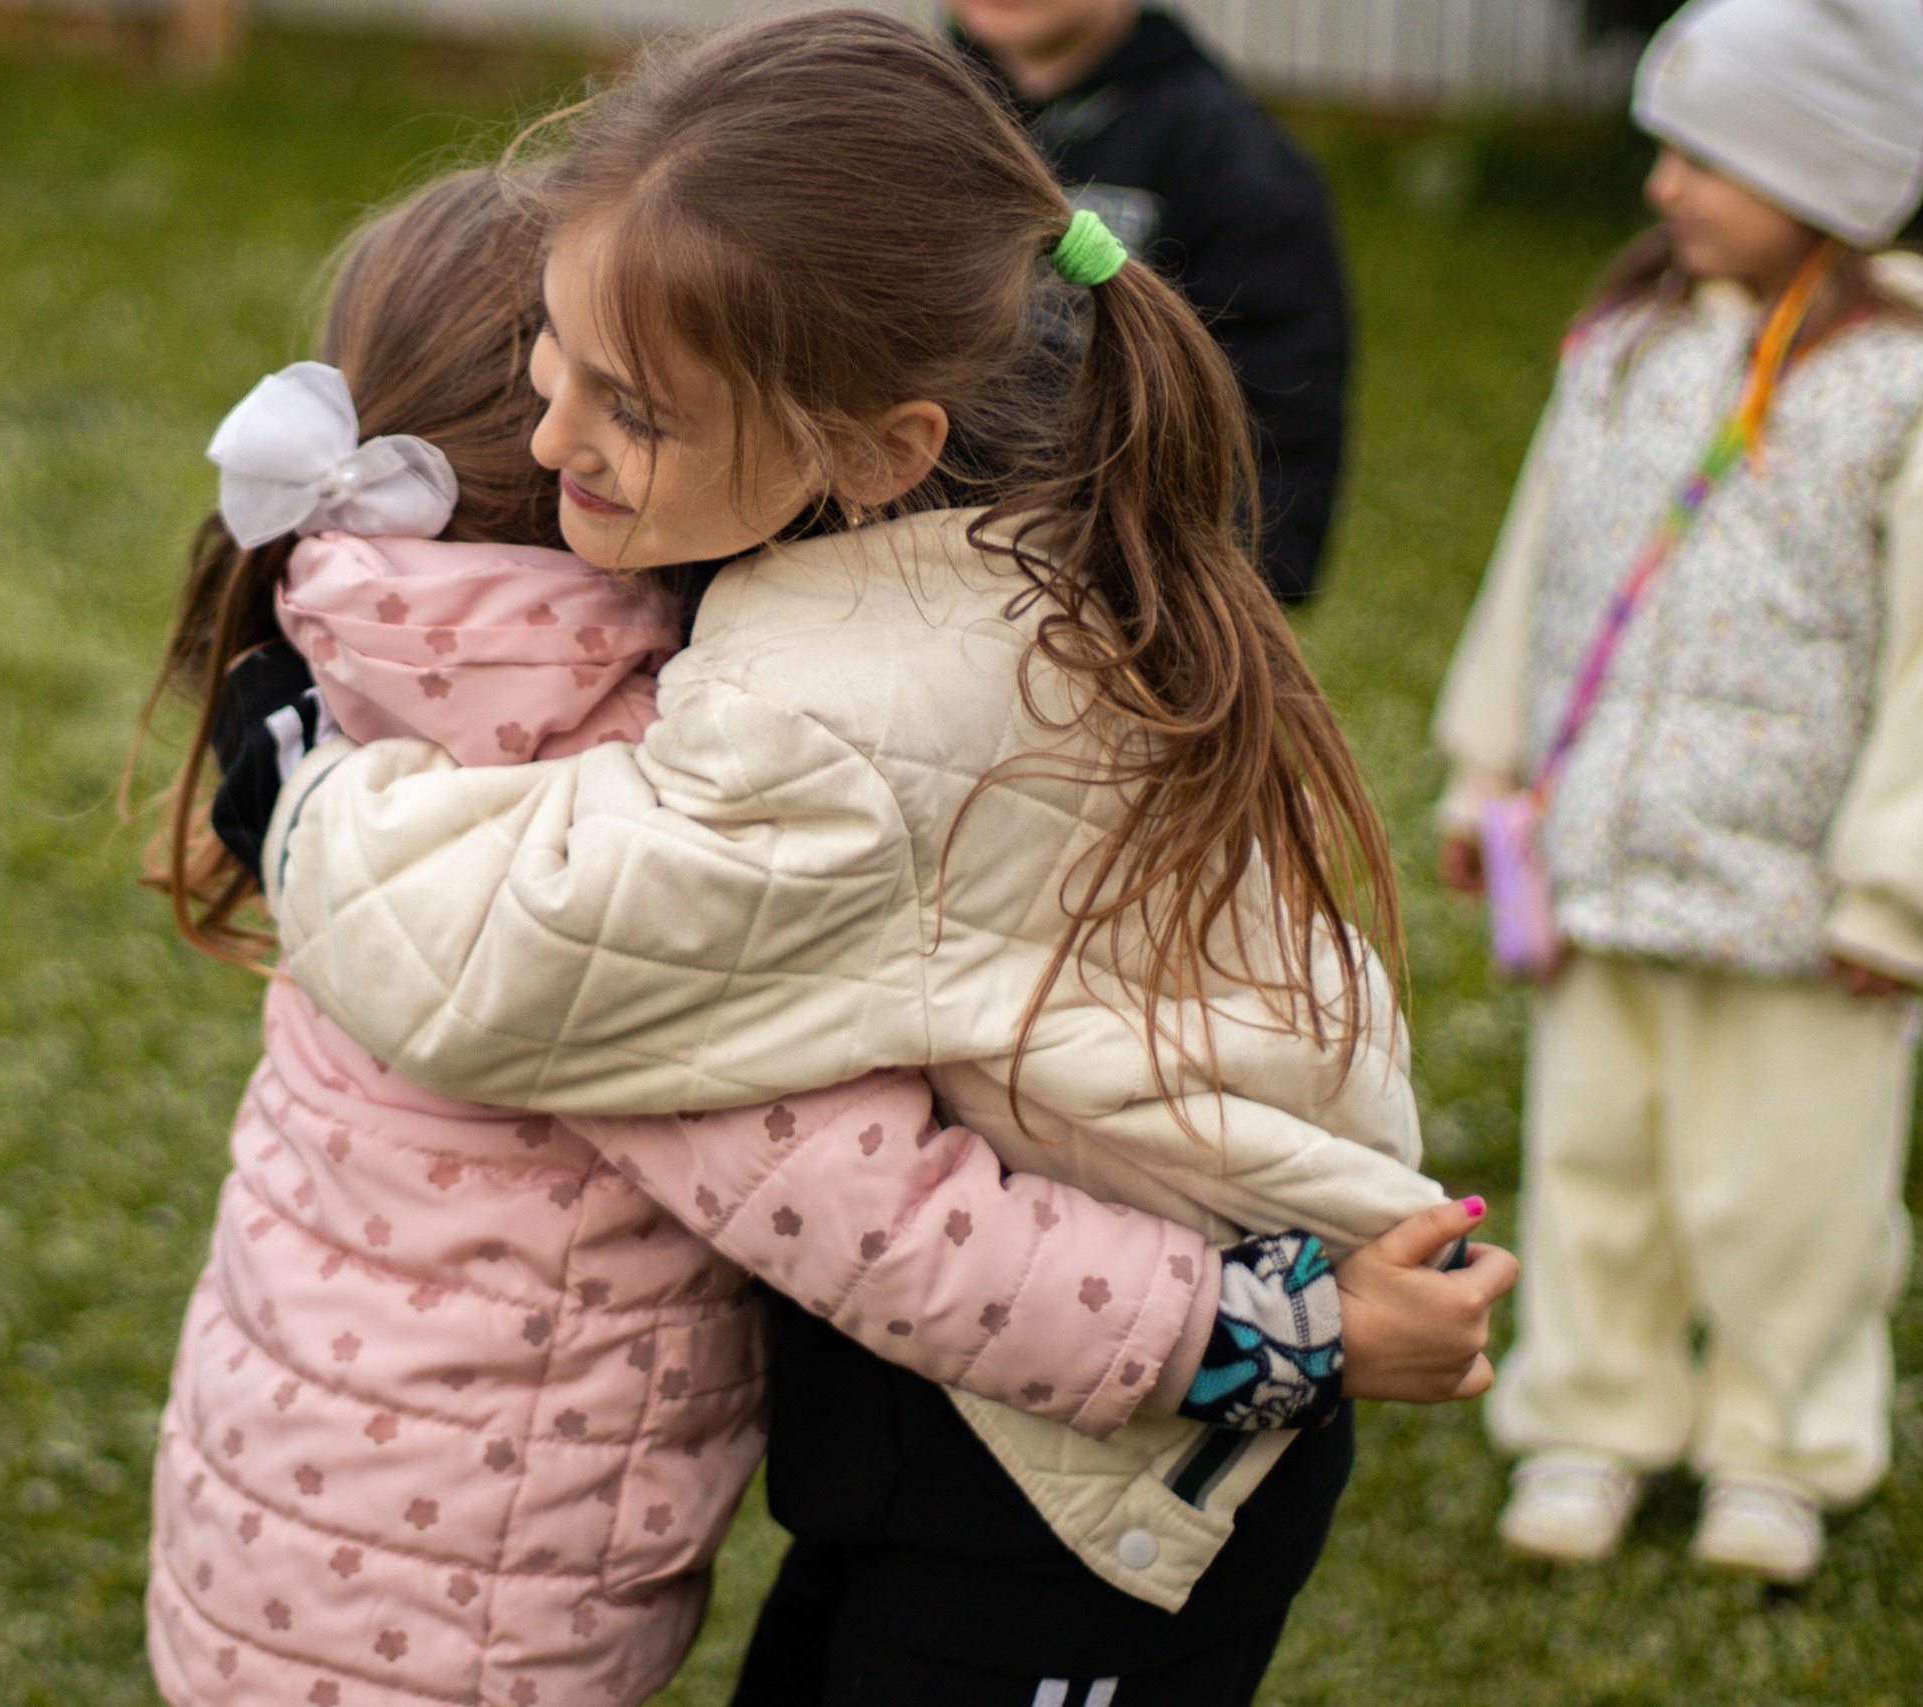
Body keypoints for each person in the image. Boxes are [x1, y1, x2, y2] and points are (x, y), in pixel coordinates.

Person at [254, 16, 1515, 1704]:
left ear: (879, 446)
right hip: (993, 1400)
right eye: (545, 350)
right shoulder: (976, 530)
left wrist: (287, 772)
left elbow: (500, 963)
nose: (552, 438)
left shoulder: (848, 709)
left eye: (632, 407)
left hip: (1111, 1454)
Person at [1434, 0, 1923, 1585]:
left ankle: (1777, 1446)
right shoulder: (1629, 344)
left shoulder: (1911, 386)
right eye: (1667, 145)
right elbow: (1545, 557)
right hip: (1606, 857)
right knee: (1595, 1162)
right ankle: (1590, 1415)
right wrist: (1491, 764)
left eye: (1708, 153)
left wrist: (1901, 887)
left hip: (1806, 902)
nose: (1665, 185)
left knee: (1791, 1194)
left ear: (1831, 169)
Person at [949, 0, 1352, 604]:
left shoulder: (1235, 158)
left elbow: (1279, 403)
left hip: (1125, 594)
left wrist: (1227, 591)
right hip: (917, 570)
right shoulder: (899, 117)